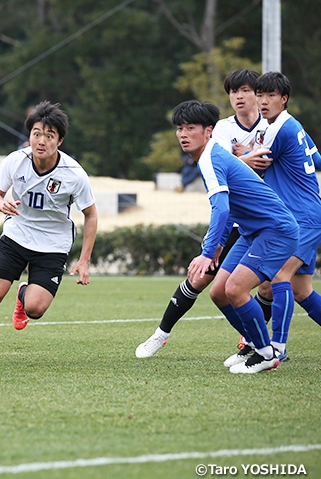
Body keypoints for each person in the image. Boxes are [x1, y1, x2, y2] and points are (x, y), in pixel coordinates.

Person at [0, 100, 98, 364]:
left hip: (52, 245)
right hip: (17, 236)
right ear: (29, 135)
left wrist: (84, 260)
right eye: (36, 133)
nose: (41, 141)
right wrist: (0, 203)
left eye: (49, 136)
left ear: (59, 141)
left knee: (35, 309)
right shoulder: (15, 161)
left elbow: (91, 215)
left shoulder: (74, 173)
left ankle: (24, 293)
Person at [135, 69, 271, 358]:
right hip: (235, 222)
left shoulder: (275, 126)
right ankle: (161, 335)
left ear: (259, 95)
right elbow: (222, 166)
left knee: (274, 287)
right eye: (234, 91)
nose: (239, 96)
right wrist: (246, 158)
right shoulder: (220, 130)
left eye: (246, 90)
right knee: (202, 280)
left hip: (265, 220)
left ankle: (265, 346)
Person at [173, 100, 298, 373]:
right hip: (254, 232)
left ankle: (266, 355)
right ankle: (255, 346)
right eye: (179, 128)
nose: (183, 134)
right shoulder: (210, 157)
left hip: (275, 230)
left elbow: (221, 208)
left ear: (208, 131)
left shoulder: (211, 158)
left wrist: (207, 254)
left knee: (235, 289)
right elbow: (232, 207)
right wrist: (217, 245)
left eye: (190, 127)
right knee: (219, 292)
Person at [223, 71, 321, 366]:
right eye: (260, 95)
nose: (263, 102)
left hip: (302, 218)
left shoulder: (281, 129)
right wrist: (254, 153)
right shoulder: (291, 126)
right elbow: (315, 159)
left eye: (270, 96)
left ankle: (277, 346)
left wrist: (244, 155)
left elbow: (257, 165)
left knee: (279, 277)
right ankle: (269, 344)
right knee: (303, 291)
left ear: (284, 99)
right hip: (304, 215)